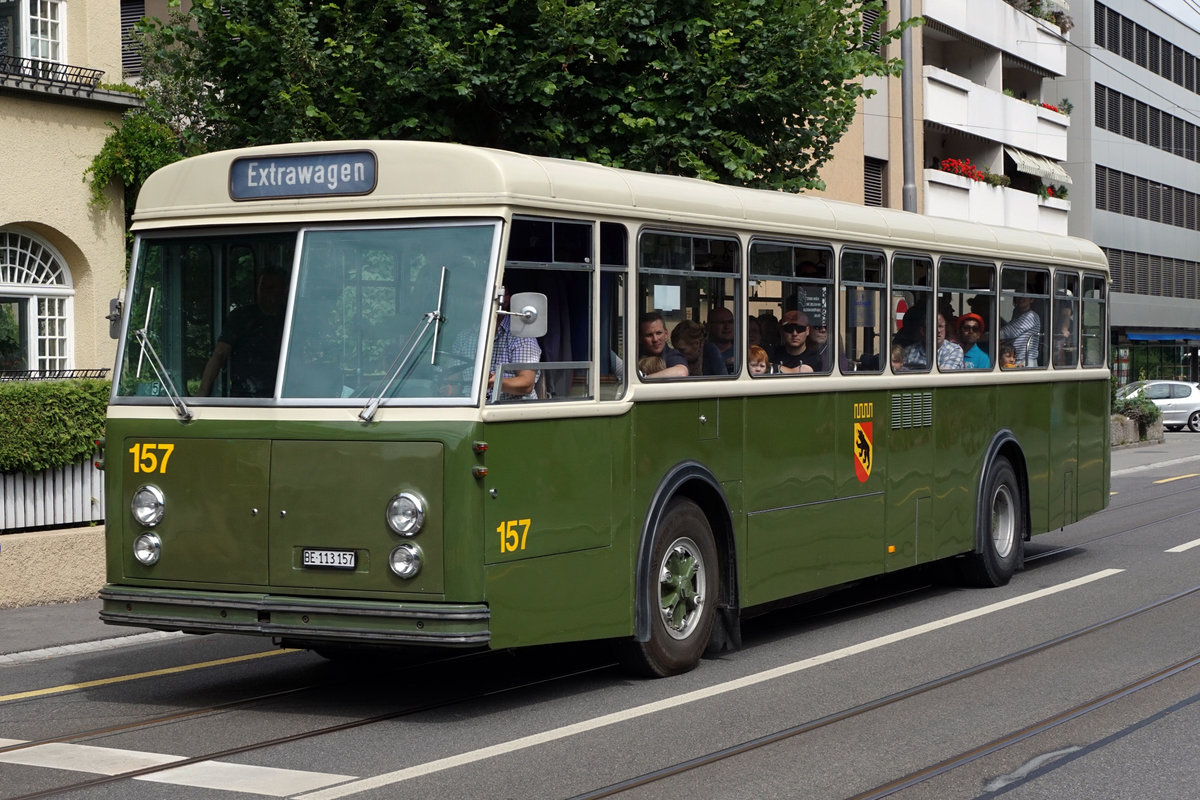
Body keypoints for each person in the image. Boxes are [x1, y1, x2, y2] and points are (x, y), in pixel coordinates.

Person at [199, 270, 288, 397]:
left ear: (283, 291)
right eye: (263, 287)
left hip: (283, 397)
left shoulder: (290, 319)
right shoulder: (241, 317)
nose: (266, 292)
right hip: (244, 396)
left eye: (272, 288)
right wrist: (202, 394)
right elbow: (220, 353)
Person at [487, 306, 542, 400]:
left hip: (513, 408)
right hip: (468, 407)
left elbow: (526, 384)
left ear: (505, 298)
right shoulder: (464, 336)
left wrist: (492, 381)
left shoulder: (522, 336)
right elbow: (454, 381)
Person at [638, 312, 689, 378]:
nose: (655, 339)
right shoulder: (634, 356)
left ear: (666, 334)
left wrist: (644, 379)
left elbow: (682, 372)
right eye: (649, 335)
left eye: (659, 333)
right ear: (640, 338)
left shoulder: (671, 355)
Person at [1000, 295, 1041, 367]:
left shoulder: (1031, 316)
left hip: (1025, 362)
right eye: (1018, 295)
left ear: (1032, 299)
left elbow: (1007, 332)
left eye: (1024, 295)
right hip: (1016, 359)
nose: (1020, 298)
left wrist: (988, 336)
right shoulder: (1017, 315)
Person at [707, 307, 736, 373]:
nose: (727, 326)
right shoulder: (700, 353)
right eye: (722, 322)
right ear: (708, 326)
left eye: (730, 322)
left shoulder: (741, 354)